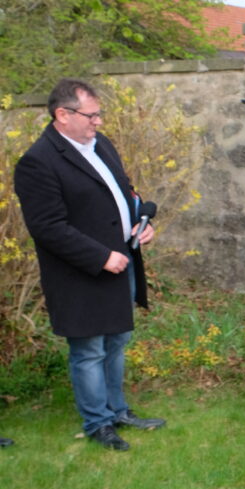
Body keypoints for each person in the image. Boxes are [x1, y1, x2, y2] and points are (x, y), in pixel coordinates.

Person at [13, 79, 165, 452]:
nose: (98, 121)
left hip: (122, 262)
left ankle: (117, 410)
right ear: (62, 115)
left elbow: (126, 191)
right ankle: (98, 422)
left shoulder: (101, 144)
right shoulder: (38, 162)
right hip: (81, 273)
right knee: (89, 350)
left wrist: (142, 222)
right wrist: (100, 257)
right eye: (91, 114)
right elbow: (47, 227)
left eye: (99, 114)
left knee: (117, 341)